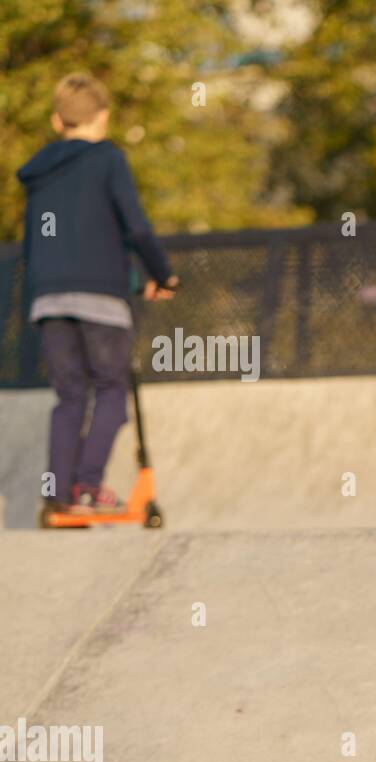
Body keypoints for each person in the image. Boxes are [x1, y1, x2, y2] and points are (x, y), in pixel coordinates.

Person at [17, 72, 178, 520]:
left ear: (56, 120)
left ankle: (57, 493)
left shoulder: (38, 174)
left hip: (49, 300)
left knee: (69, 396)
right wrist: (162, 274)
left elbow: (41, 247)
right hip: (101, 302)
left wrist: (128, 284)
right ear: (103, 116)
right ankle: (87, 486)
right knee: (110, 388)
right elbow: (135, 227)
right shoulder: (108, 160)